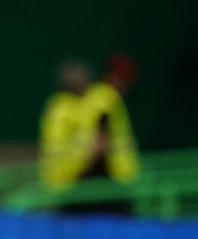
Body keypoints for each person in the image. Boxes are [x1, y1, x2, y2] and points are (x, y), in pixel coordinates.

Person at [39, 54, 140, 214]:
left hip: (110, 183)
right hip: (73, 188)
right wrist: (89, 152)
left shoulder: (104, 98)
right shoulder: (60, 109)